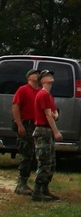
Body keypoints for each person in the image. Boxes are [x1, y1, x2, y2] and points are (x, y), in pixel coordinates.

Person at [31, 69, 62, 203]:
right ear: (42, 80)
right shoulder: (42, 94)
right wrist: (56, 131)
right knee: (44, 162)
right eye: (47, 76)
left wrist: (56, 115)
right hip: (43, 130)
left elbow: (54, 112)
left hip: (47, 131)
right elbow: (48, 115)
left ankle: (44, 189)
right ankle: (37, 191)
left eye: (51, 75)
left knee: (50, 162)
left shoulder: (49, 96)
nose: (50, 77)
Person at [12, 66, 40, 196]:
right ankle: (21, 183)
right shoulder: (23, 90)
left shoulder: (40, 91)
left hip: (36, 126)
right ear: (29, 77)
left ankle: (26, 182)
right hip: (26, 124)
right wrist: (19, 125)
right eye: (35, 74)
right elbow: (15, 107)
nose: (38, 75)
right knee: (26, 154)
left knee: (33, 155)